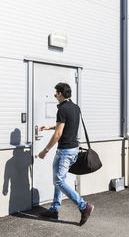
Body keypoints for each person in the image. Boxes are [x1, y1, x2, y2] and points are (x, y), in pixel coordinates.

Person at [37, 82, 94, 226]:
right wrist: (49, 127)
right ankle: (54, 210)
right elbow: (65, 126)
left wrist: (45, 150)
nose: (55, 95)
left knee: (58, 181)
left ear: (61, 94)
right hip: (73, 149)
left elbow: (59, 133)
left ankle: (84, 206)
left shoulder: (62, 109)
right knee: (59, 179)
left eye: (56, 93)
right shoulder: (75, 107)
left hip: (65, 151)